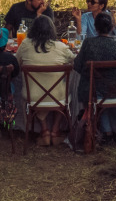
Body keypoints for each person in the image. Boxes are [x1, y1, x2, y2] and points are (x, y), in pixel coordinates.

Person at [73, 11, 116, 138]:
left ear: (95, 27)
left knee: (97, 89)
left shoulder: (88, 43)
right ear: (111, 28)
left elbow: (77, 66)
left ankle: (107, 131)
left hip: (93, 90)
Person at [18, 15, 75, 146]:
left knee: (37, 89)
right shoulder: (61, 47)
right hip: (58, 96)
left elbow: (17, 62)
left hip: (33, 96)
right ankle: (55, 131)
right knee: (61, 89)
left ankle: (44, 131)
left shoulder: (25, 45)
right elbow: (74, 61)